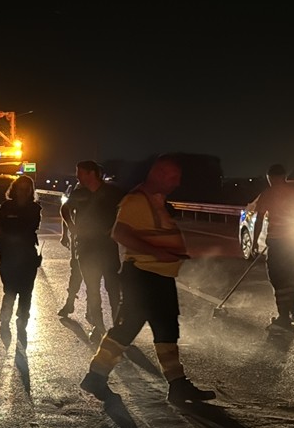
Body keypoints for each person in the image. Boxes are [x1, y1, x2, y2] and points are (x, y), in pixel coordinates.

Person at [80, 156, 216, 405]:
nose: (178, 182)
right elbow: (118, 233)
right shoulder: (136, 201)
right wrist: (157, 252)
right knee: (130, 327)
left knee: (164, 329)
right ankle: (96, 376)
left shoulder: (155, 201)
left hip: (159, 276)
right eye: (173, 176)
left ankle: (176, 384)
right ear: (159, 174)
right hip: (145, 275)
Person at [59, 161, 125, 338]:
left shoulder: (113, 192)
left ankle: (118, 328)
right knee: (92, 287)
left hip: (107, 245)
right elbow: (65, 209)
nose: (77, 176)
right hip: (86, 246)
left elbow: (126, 209)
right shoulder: (79, 193)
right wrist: (71, 228)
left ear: (91, 173)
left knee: (113, 286)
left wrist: (116, 228)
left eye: (80, 172)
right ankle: (99, 327)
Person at [250, 164, 294, 333]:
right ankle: (293, 310)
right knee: (290, 275)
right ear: (285, 176)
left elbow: (258, 219)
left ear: (270, 177)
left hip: (278, 243)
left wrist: (255, 243)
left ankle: (284, 316)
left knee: (278, 278)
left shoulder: (268, 194)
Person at [0, 175, 42, 335]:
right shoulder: (6, 207)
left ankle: (23, 319)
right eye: (20, 189)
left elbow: (30, 226)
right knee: (10, 290)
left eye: (26, 190)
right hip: (8, 255)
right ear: (14, 189)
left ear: (31, 191)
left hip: (28, 255)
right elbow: (0, 228)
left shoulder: (34, 208)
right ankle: (5, 318)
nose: (23, 192)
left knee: (26, 291)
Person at [56, 182, 85, 317]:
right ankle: (70, 301)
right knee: (76, 270)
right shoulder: (79, 192)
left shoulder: (102, 194)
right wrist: (65, 233)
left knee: (87, 272)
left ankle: (81, 305)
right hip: (79, 237)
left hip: (92, 238)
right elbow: (66, 211)